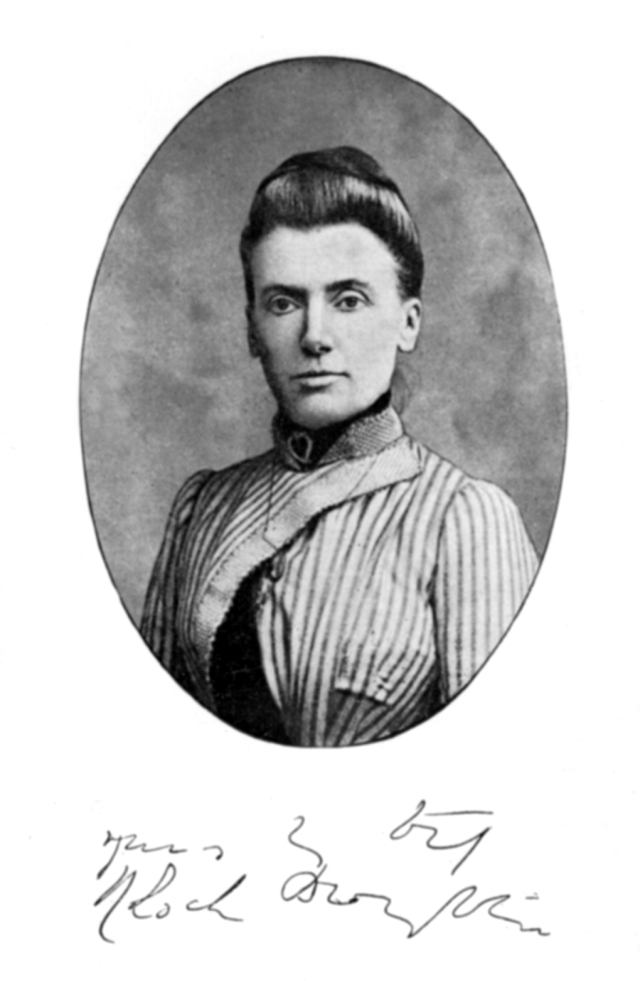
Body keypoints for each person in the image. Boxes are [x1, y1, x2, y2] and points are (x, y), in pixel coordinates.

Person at [141, 146, 538, 747]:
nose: (315, 336)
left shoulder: (462, 520)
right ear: (252, 328)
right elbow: (153, 742)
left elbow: (496, 760)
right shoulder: (202, 510)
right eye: (283, 302)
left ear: (408, 322)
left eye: (348, 300)